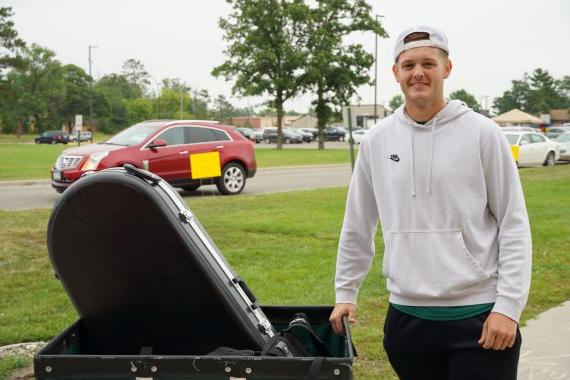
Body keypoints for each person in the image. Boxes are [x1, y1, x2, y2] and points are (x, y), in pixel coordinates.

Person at [329, 26, 532, 380]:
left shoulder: (484, 134)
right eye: (408, 65)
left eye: (428, 63)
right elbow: (358, 223)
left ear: (447, 68)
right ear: (396, 73)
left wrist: (509, 307)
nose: (418, 73)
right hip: (407, 319)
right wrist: (346, 291)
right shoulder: (376, 141)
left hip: (480, 317)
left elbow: (513, 223)